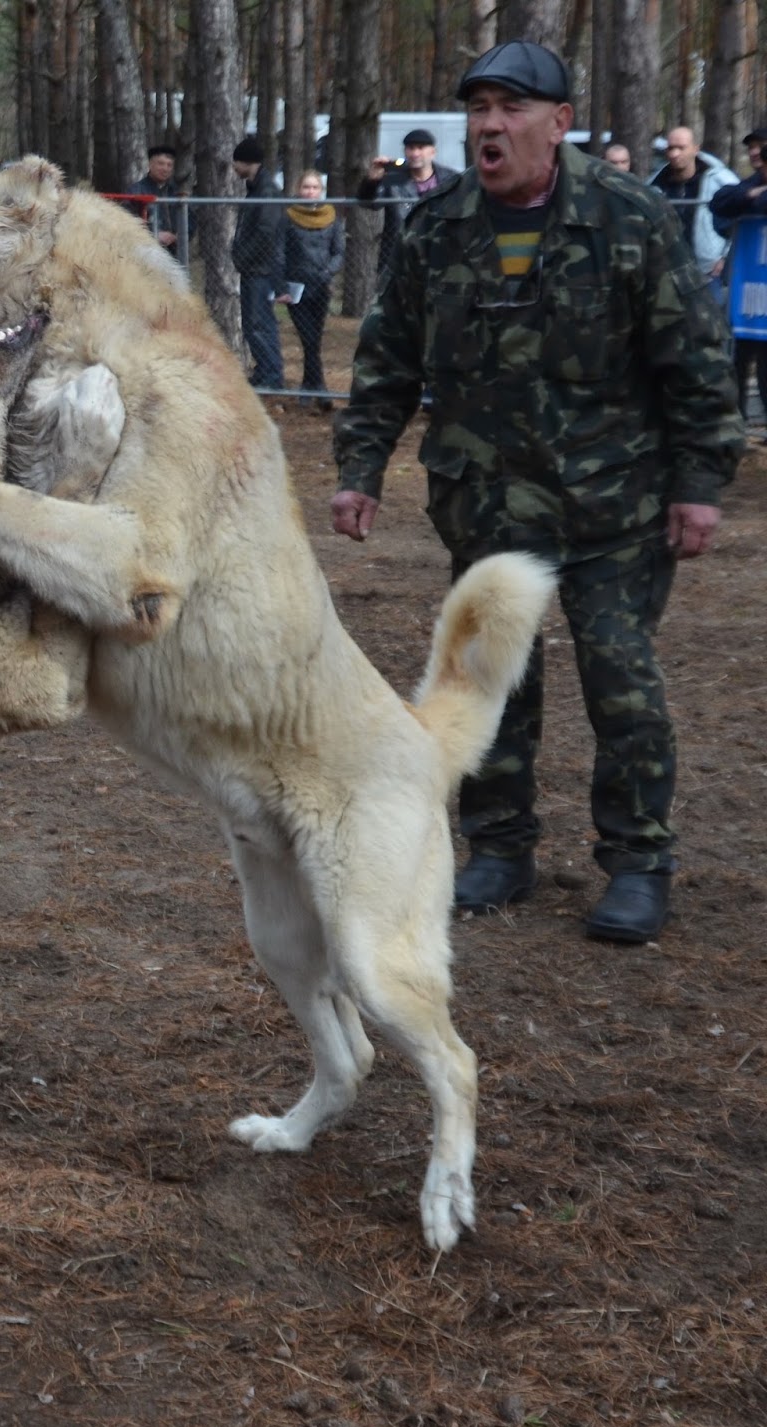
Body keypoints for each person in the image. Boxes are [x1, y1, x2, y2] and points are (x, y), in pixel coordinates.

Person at [331, 40, 743, 944]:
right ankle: (499, 847)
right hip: (486, 504)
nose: (490, 126)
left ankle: (637, 862)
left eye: (511, 109)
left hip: (614, 505)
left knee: (621, 682)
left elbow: (695, 361)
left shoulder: (628, 216)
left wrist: (699, 481)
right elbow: (387, 361)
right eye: (478, 108)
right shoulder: (437, 228)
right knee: (491, 682)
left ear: (558, 123)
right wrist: (360, 471)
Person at [711, 123, 767, 424]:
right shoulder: (749, 183)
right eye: (751, 147)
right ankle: (737, 422)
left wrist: (752, 198)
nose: (755, 152)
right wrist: (753, 194)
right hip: (750, 294)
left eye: (761, 146)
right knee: (740, 358)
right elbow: (720, 203)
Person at [275, 170, 344, 409]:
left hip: (321, 286)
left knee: (313, 340)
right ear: (298, 190)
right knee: (309, 339)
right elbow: (279, 253)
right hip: (296, 287)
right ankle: (320, 390)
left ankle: (309, 387)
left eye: (315, 187)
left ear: (321, 191)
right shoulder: (287, 217)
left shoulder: (332, 217)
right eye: (306, 187)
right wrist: (280, 286)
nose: (310, 192)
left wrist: (328, 272)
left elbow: (339, 252)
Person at [356, 126, 461, 277]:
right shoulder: (393, 178)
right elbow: (368, 203)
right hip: (400, 255)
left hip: (440, 253)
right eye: (411, 148)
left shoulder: (450, 179)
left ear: (433, 152)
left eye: (420, 148)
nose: (415, 153)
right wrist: (371, 181)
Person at [229, 136, 285, 391]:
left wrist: (243, 256)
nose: (234, 167)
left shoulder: (267, 191)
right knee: (254, 324)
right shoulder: (256, 189)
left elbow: (266, 232)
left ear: (247, 162)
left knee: (260, 324)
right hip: (254, 268)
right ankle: (264, 371)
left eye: (236, 162)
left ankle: (271, 375)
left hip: (261, 270)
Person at [649, 125, 736, 283]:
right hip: (667, 274)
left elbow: (738, 222)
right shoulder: (654, 186)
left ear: (696, 149)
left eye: (681, 148)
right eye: (670, 148)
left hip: (710, 272)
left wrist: (726, 257)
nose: (674, 154)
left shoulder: (721, 181)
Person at [132, 142, 188, 253]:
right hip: (147, 250)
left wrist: (180, 234)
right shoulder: (137, 191)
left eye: (169, 165)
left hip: (175, 251)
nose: (165, 168)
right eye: (160, 164)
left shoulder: (176, 192)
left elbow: (190, 218)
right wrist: (154, 234)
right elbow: (128, 220)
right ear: (150, 164)